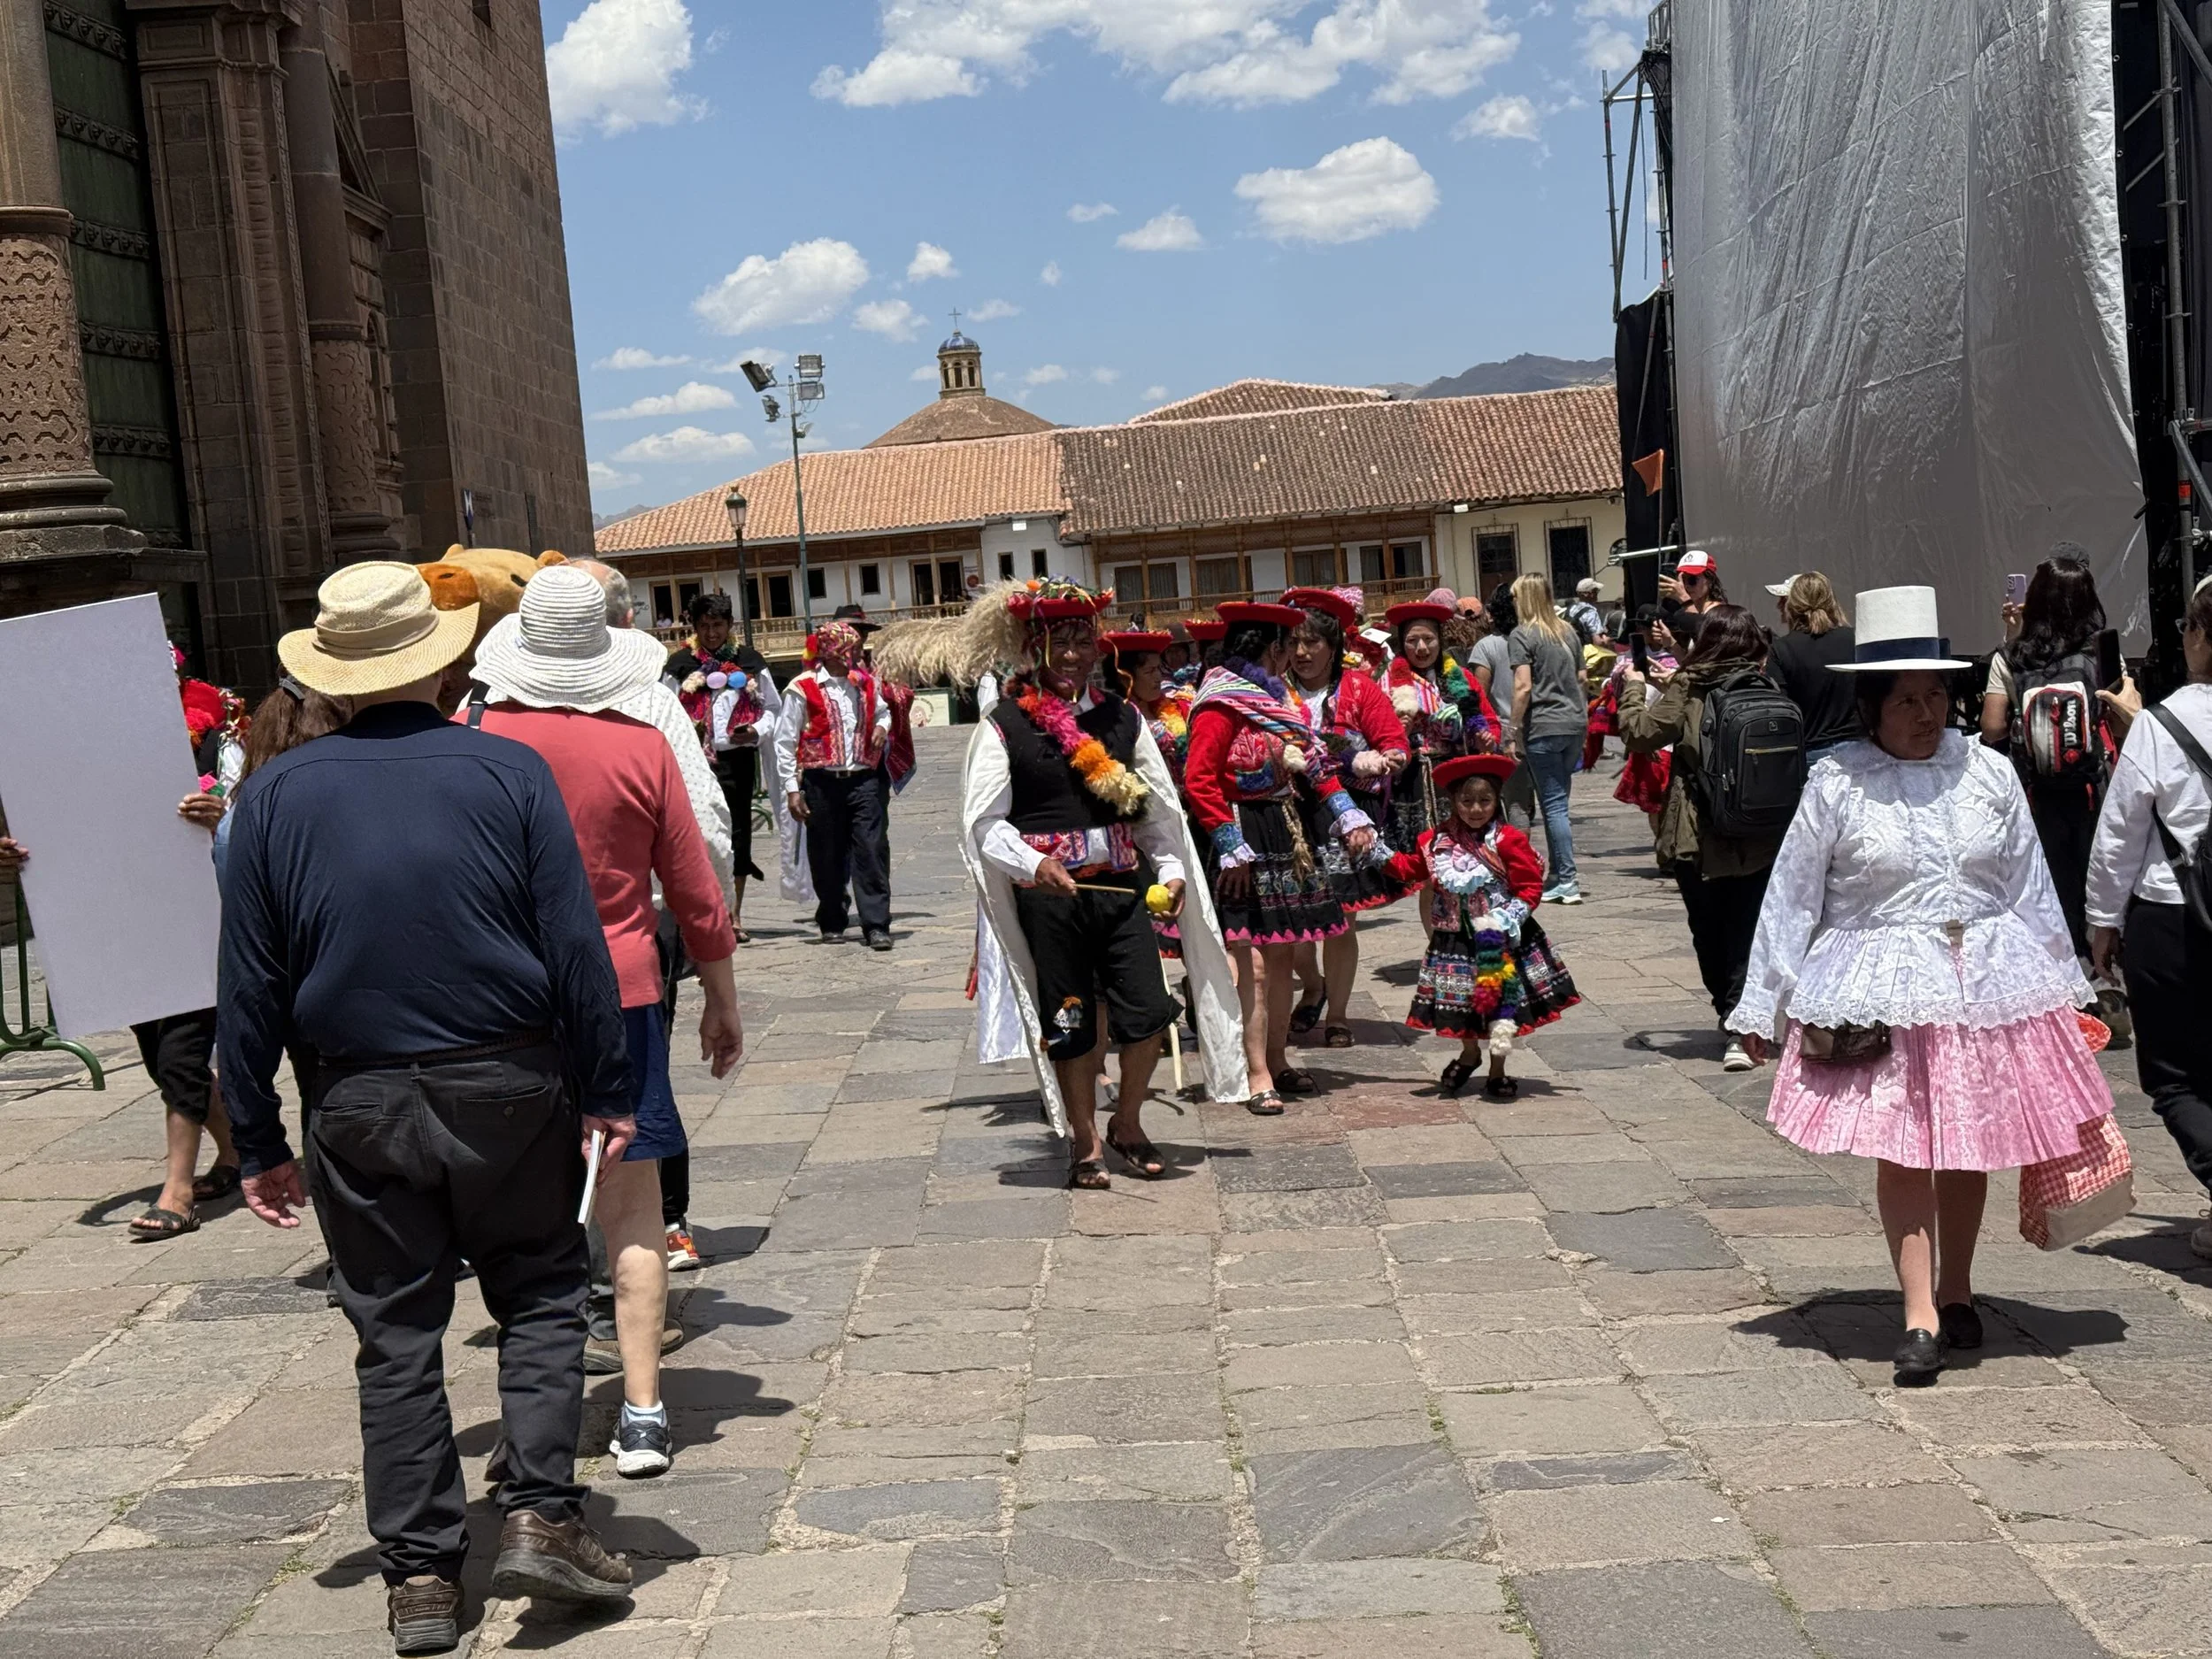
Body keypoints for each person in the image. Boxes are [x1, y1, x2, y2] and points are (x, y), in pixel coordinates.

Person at [219, 562, 636, 1645]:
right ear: (445, 660)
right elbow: (574, 949)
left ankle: (420, 1579)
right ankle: (541, 1512)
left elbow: (249, 982)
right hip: (508, 1081)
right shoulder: (507, 773)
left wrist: (256, 1137)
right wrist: (611, 1085)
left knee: (394, 1332)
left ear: (335, 678)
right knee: (542, 1293)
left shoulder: (271, 794)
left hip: (356, 1096)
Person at [1730, 586, 2114, 1381]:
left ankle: (1960, 1286)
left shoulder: (1989, 775)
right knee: (1905, 1148)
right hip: (1878, 988)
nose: (1925, 710)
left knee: (1968, 1141)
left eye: (1936, 693)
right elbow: (1794, 895)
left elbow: (2028, 885)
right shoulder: (1837, 781)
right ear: (1870, 704)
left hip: (1982, 984)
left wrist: (2065, 988)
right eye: (1905, 696)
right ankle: (1917, 1314)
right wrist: (1761, 1002)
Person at [468, 567, 744, 1480]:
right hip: (621, 997)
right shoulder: (642, 747)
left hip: (504, 1005)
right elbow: (697, 892)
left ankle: (529, 1420)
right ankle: (643, 1411)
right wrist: (720, 998)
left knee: (524, 1219)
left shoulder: (471, 740)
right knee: (632, 1212)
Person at [960, 582, 1244, 1184]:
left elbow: (1156, 812)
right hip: (1051, 900)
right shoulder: (1005, 725)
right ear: (1035, 646)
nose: (1071, 654)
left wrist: (1170, 871)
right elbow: (983, 821)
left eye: (1081, 640)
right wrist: (1033, 864)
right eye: (1058, 641)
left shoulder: (1123, 718)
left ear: (1097, 647)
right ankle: (1085, 1141)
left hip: (1119, 891)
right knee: (1071, 1022)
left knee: (1148, 1015)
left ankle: (1129, 1121)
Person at [525, 560, 734, 1279]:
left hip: (507, 973)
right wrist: (719, 978)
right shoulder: (647, 717)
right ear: (618, 629)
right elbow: (702, 840)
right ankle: (646, 1252)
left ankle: (555, 1288)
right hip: (625, 960)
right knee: (633, 1129)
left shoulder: (474, 722)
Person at [1185, 602, 1376, 1116]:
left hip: (1281, 831)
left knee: (1283, 954)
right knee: (1252, 965)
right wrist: (1229, 844)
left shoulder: (1277, 701)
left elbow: (1313, 763)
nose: (1295, 653)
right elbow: (1199, 779)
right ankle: (1254, 1070)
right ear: (1272, 649)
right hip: (1238, 835)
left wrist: (1348, 813)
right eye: (1287, 645)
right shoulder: (1221, 703)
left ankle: (1277, 1056)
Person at [2086, 578, 2212, 1256]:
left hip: (2174, 916)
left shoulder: (2159, 727)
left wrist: (2102, 922)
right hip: (2178, 916)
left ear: (2196, 636)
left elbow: (2119, 835)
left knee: (2172, 1075)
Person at [1617, 604, 1785, 1070]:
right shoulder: (1766, 683)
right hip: (1762, 833)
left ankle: (1733, 1022)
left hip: (1700, 831)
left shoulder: (1692, 686)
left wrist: (1634, 692)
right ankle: (1741, 1019)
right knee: (1746, 931)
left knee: (1708, 931)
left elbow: (1639, 733)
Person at [1979, 550, 2120, 1035]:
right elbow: (2121, 716)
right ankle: (2108, 978)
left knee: (2045, 885)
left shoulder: (2011, 657)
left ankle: (2064, 980)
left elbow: (1992, 728)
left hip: (2035, 791)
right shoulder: (2102, 651)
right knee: (2096, 877)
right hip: (2090, 788)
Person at [1393, 754, 1580, 1097]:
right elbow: (1412, 870)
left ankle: (1497, 1070)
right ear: (1453, 802)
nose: (1475, 809)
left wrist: (1507, 917)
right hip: (1454, 939)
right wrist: (1375, 853)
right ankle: (1468, 1054)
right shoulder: (1436, 842)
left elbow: (1529, 887)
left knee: (1499, 1004)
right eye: (1467, 801)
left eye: (1485, 801)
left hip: (1498, 939)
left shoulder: (1507, 840)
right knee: (1461, 1001)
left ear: (1497, 802)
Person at [1282, 586, 1410, 1047]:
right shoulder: (1272, 691)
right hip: (1289, 817)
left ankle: (1336, 1014)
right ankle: (1311, 983)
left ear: (1333, 646)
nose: (1301, 652)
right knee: (1293, 922)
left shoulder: (1359, 688)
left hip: (1344, 817)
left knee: (1341, 920)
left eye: (1312, 642)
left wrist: (1382, 756)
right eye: (1294, 642)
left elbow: (1394, 743)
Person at [773, 619, 895, 949]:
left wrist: (882, 726)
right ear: (829, 652)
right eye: (848, 650)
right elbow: (784, 741)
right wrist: (792, 789)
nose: (853, 656)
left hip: (863, 779)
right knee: (825, 853)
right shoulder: (803, 688)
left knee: (870, 849)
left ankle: (876, 924)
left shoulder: (865, 683)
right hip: (822, 782)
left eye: (855, 650)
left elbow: (884, 712)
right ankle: (832, 916)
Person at [662, 590, 765, 936]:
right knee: (700, 833)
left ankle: (734, 914)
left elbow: (774, 712)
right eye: (704, 626)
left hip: (737, 761)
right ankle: (704, 912)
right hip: (693, 764)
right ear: (695, 627)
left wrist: (754, 728)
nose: (711, 633)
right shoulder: (678, 666)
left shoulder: (750, 662)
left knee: (737, 834)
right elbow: (664, 711)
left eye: (718, 625)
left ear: (730, 624)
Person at [1383, 596, 1501, 861]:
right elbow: (1375, 732)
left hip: (1456, 780)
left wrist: (1487, 737)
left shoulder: (1461, 677)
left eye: (1429, 639)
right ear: (1402, 643)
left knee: (1466, 859)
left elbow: (1488, 721)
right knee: (1425, 866)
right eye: (1412, 641)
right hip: (1411, 781)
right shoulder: (1388, 682)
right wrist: (1398, 730)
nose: (1422, 647)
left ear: (1440, 640)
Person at [1508, 572, 1590, 905]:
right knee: (1559, 803)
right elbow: (1583, 678)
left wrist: (1512, 730)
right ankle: (1558, 875)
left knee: (1553, 805)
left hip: (1544, 725)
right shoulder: (1567, 632)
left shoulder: (1522, 634)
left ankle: (1568, 879)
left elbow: (1523, 686)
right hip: (1574, 723)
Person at [1764, 572, 1860, 760]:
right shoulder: (1856, 639)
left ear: (1792, 605)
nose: (1778, 606)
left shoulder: (1781, 650)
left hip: (1811, 754)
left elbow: (1781, 710)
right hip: (1859, 750)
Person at [1655, 549, 1727, 653]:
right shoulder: (1688, 611)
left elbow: (1708, 644)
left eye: (1692, 580)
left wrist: (1684, 599)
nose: (1686, 586)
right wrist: (1670, 643)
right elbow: (1694, 663)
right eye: (1682, 580)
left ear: (1710, 580)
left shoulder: (1720, 612)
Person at [1566, 577, 1606, 647]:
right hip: (1586, 652)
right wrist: (1607, 641)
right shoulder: (1590, 612)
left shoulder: (1570, 608)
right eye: (1595, 591)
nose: (1597, 593)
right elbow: (1597, 642)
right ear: (1587, 594)